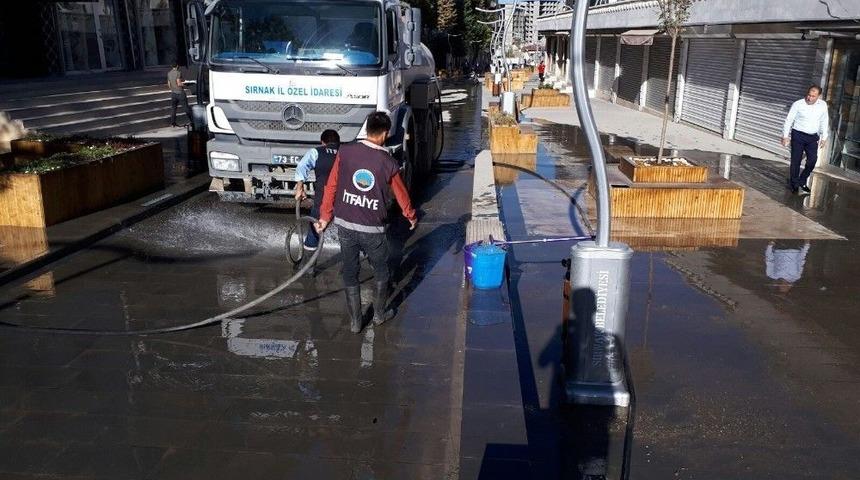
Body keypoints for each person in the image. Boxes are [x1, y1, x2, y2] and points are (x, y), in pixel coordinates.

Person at [315, 112, 417, 333]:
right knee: (382, 271)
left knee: (350, 271)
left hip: (345, 225)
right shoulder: (388, 162)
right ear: (385, 134)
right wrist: (410, 215)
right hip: (372, 228)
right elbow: (401, 193)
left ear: (367, 129)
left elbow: (331, 186)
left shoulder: (345, 151)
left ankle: (355, 322)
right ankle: (379, 315)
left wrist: (324, 217)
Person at [294, 129, 340, 251]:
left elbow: (302, 166)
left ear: (322, 142)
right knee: (350, 232)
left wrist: (300, 188)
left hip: (323, 199)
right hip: (345, 199)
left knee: (315, 229)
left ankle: (309, 259)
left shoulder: (316, 152)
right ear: (338, 142)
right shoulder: (347, 153)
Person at [781, 85, 829, 195]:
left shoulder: (822, 105)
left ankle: (802, 181)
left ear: (819, 96)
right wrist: (785, 136)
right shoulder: (798, 104)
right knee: (796, 161)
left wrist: (824, 137)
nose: (809, 98)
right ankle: (794, 184)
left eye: (813, 96)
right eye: (808, 95)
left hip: (812, 137)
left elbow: (824, 120)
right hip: (798, 135)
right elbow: (789, 120)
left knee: (812, 160)